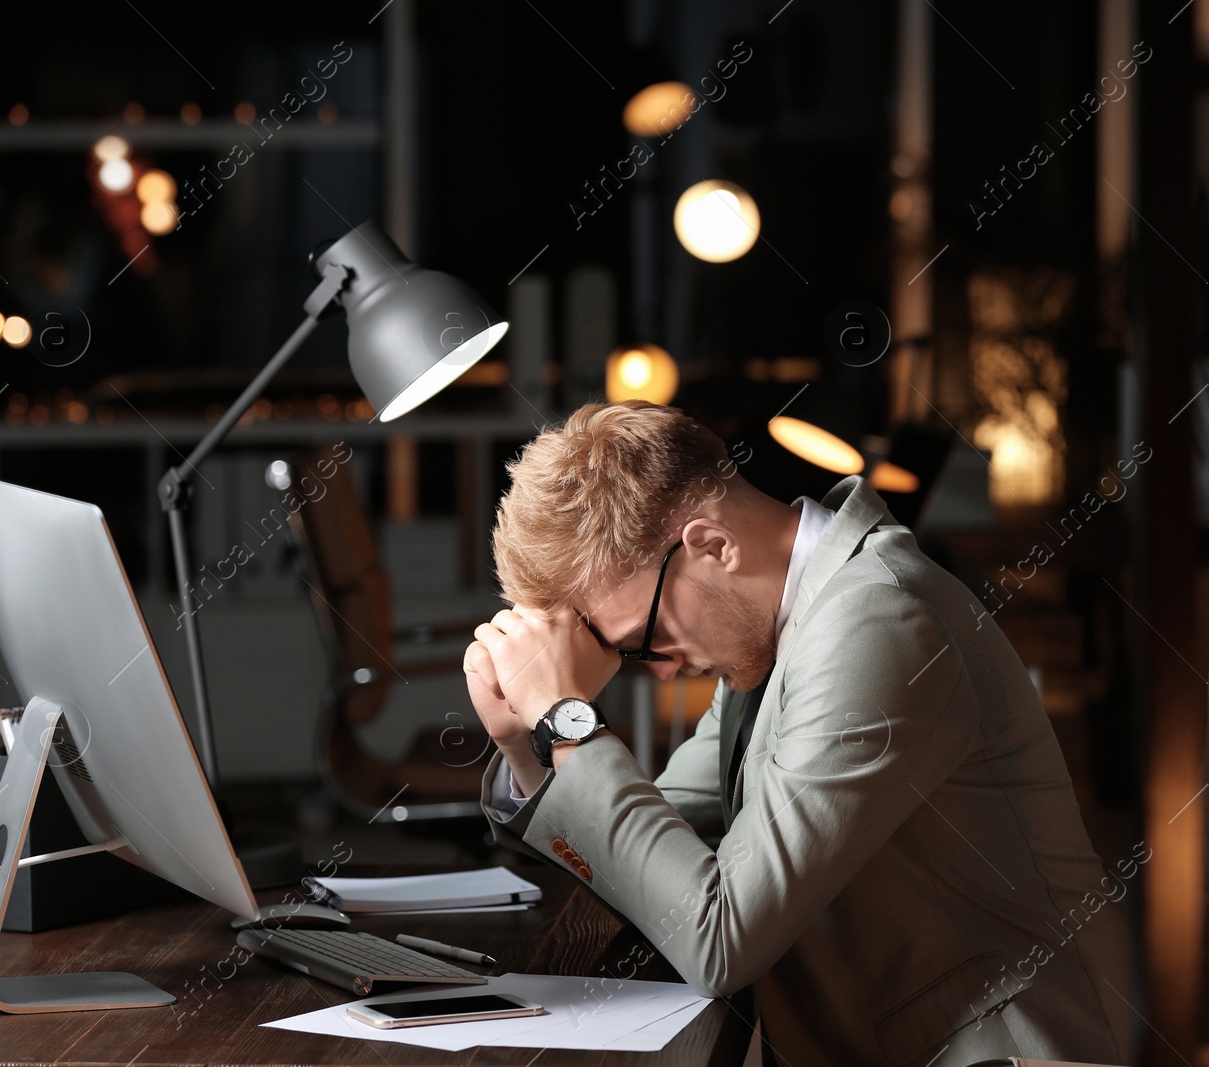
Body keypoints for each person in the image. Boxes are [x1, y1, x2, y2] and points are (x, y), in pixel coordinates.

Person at [464, 401, 1134, 1066]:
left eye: (647, 639)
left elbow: (717, 936)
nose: (663, 672)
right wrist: (527, 743)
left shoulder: (879, 624)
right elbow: (658, 860)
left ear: (712, 545)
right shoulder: (785, 623)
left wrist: (568, 717)